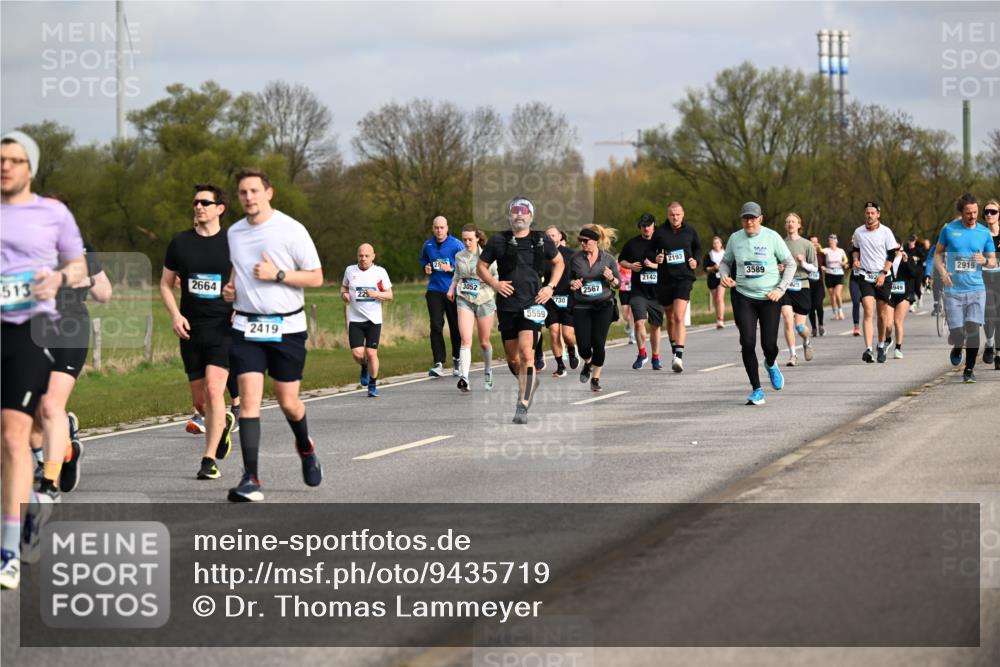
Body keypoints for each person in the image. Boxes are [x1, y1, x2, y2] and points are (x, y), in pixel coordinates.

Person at [1, 131, 87, 589]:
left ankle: (7, 549)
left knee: (18, 432)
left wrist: (58, 278)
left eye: (15, 159)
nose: (6, 166)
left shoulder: (54, 214)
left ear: (29, 167)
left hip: (32, 330)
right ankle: (31, 500)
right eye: (1, 159)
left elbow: (81, 268)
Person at [222, 168, 324, 502]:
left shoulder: (291, 229)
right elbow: (239, 265)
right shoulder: (234, 233)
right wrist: (231, 288)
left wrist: (277, 274)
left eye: (254, 191)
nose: (248, 197)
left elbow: (316, 278)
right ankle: (250, 478)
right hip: (246, 327)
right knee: (249, 400)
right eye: (242, 192)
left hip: (287, 328)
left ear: (269, 193)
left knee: (288, 402)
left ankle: (306, 448)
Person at [29, 194, 111, 497]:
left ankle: (48, 484)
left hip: (70, 330)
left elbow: (105, 291)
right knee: (33, 410)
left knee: (50, 405)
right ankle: (65, 449)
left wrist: (85, 281)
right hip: (32, 332)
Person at [160, 184, 240, 480]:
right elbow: (165, 284)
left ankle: (208, 460)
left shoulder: (234, 243)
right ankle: (223, 423)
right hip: (190, 330)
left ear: (220, 208)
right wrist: (176, 314)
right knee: (200, 402)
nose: (199, 206)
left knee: (214, 389)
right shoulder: (180, 243)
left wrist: (239, 306)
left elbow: (248, 280)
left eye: (205, 202)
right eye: (195, 201)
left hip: (223, 328)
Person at [477, 196, 561, 425]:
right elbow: (481, 267)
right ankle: (528, 383)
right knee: (513, 359)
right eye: (515, 211)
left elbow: (559, 263)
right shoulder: (499, 241)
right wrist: (495, 284)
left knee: (527, 354)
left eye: (524, 211)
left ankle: (522, 404)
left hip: (533, 304)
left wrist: (550, 287)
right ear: (510, 216)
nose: (519, 215)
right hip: (507, 306)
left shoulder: (541, 239)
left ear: (531, 216)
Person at [718, 202, 796, 406]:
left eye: (753, 218)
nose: (749, 221)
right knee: (747, 342)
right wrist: (724, 276)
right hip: (743, 296)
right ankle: (757, 389)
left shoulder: (772, 237)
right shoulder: (735, 238)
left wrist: (780, 289)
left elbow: (790, 263)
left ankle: (770, 363)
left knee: (769, 345)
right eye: (746, 218)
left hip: (769, 298)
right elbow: (725, 262)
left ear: (761, 218)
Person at [933, 193, 997, 382]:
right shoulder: (949, 230)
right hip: (953, 291)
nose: (973, 216)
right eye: (968, 213)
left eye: (976, 212)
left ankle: (968, 370)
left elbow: (993, 260)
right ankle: (957, 346)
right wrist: (943, 272)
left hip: (977, 289)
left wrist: (985, 260)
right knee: (958, 333)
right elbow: (937, 254)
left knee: (973, 329)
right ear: (961, 212)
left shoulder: (984, 232)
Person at [570, 225, 621, 392]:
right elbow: (569, 279)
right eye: (580, 241)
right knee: (583, 346)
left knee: (599, 343)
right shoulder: (576, 259)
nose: (583, 244)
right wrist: (573, 283)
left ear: (595, 242)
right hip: (581, 305)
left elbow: (618, 284)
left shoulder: (608, 260)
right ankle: (588, 362)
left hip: (603, 305)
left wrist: (611, 278)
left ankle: (596, 378)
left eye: (586, 241)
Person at [653, 201, 702, 372]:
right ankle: (675, 350)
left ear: (683, 215)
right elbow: (651, 252)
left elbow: (698, 248)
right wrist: (656, 259)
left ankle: (679, 357)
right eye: (672, 214)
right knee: (670, 317)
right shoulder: (659, 232)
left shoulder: (690, 231)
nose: (675, 217)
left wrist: (696, 261)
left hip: (684, 278)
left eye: (678, 214)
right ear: (668, 215)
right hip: (665, 279)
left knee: (679, 316)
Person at [446, 224, 495, 391]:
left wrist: (485, 280)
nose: (467, 242)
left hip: (484, 300)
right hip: (464, 298)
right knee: (465, 339)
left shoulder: (488, 255)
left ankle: (488, 371)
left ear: (477, 238)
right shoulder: (459, 256)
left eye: (470, 239)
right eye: (464, 239)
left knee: (484, 342)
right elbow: (457, 275)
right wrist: (452, 289)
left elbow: (496, 277)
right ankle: (464, 377)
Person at [341, 243, 393, 398]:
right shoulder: (350, 271)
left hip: (373, 320)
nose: (363, 259)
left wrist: (376, 294)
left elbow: (390, 295)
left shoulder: (380, 272)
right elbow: (343, 288)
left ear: (373, 256)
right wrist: (344, 295)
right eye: (360, 256)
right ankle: (363, 366)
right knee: (357, 354)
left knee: (371, 352)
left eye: (366, 256)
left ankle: (372, 384)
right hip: (355, 319)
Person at [851, 202, 899, 364]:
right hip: (865, 275)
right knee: (868, 311)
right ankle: (868, 349)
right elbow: (855, 249)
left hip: (883, 276)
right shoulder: (858, 232)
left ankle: (880, 345)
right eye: (867, 213)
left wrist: (884, 273)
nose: (869, 215)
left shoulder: (886, 232)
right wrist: (856, 260)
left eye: (872, 213)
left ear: (878, 214)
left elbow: (892, 254)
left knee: (882, 315)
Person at [619, 213, 664, 369]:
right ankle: (642, 353)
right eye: (643, 226)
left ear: (653, 225)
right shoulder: (632, 244)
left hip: (657, 291)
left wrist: (653, 266)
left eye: (648, 225)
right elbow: (621, 261)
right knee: (638, 323)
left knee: (655, 326)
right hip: (638, 290)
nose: (646, 228)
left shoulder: (661, 242)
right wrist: (630, 266)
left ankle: (656, 357)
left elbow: (670, 264)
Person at [421, 216, 463, 378]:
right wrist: (426, 267)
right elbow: (424, 261)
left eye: (442, 227)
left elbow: (465, 266)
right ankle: (438, 363)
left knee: (455, 326)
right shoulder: (428, 245)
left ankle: (457, 360)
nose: (439, 230)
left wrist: (451, 268)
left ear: (447, 228)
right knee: (436, 326)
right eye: (436, 227)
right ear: (433, 228)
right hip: (434, 290)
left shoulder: (457, 244)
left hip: (453, 291)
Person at [780, 214, 817, 366]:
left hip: (802, 285)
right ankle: (793, 355)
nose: (790, 224)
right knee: (787, 319)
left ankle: (806, 340)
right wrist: (778, 268)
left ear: (799, 225)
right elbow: (773, 263)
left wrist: (803, 263)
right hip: (785, 286)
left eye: (793, 221)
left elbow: (814, 268)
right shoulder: (780, 243)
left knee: (800, 327)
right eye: (788, 221)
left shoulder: (807, 244)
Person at [541, 226, 577, 378]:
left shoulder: (570, 254)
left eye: (553, 235)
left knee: (568, 334)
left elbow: (579, 273)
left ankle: (571, 348)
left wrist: (576, 282)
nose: (551, 238)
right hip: (550, 299)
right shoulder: (541, 255)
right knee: (554, 332)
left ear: (560, 237)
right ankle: (560, 366)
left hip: (568, 297)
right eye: (548, 236)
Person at [888, 240, 916, 359]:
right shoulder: (886, 257)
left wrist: (906, 261)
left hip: (904, 293)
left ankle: (898, 349)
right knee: (887, 323)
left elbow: (913, 273)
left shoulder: (906, 256)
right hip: (889, 292)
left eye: (897, 246)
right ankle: (888, 340)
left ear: (900, 245)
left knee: (897, 322)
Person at [982, 200, 1000, 369]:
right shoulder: (981, 234)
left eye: (993, 212)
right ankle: (989, 343)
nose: (989, 214)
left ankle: (999, 353)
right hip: (985, 279)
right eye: (987, 211)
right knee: (990, 314)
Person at [821, 234, 849, 322]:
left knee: (837, 294)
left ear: (836, 241)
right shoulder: (826, 250)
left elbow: (846, 259)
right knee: (832, 296)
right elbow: (820, 253)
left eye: (833, 241)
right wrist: (822, 266)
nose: (831, 242)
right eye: (830, 241)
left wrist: (844, 263)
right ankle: (835, 313)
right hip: (829, 274)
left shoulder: (841, 251)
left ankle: (840, 312)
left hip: (839, 274)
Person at [703, 235, 727, 329]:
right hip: (712, 278)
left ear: (721, 244)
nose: (716, 244)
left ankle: (721, 319)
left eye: (717, 242)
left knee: (720, 298)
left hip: (723, 277)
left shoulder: (726, 254)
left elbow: (730, 265)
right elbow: (705, 268)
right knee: (715, 300)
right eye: (714, 243)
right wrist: (713, 268)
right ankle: (718, 319)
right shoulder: (709, 255)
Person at [807, 235, 826, 336]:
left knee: (818, 305)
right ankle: (814, 328)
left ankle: (821, 325)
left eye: (816, 242)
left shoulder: (821, 254)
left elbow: (825, 265)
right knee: (810, 307)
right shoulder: (805, 254)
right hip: (808, 284)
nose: (814, 243)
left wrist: (823, 267)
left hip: (818, 284)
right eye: (812, 242)